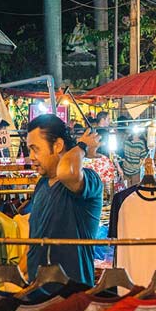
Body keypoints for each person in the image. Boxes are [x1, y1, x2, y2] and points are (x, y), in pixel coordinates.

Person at [26, 114, 103, 285]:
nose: (30, 156)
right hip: (36, 290)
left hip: (72, 292)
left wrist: (82, 146)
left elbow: (66, 172)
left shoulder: (88, 180)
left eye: (35, 149)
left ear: (58, 145)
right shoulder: (42, 184)